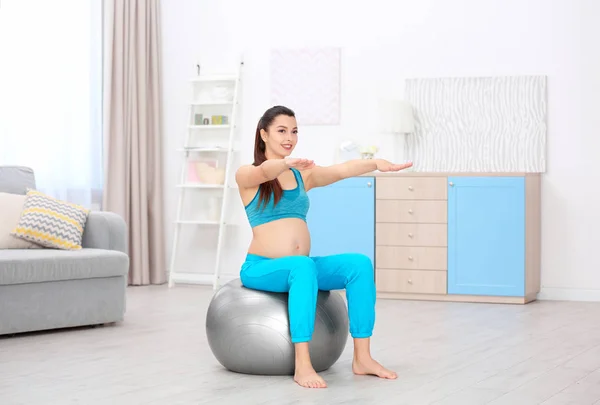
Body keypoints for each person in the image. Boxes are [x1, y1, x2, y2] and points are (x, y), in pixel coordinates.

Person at [234, 105, 413, 389]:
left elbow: (340, 170)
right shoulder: (247, 174)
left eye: (294, 131)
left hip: (299, 267)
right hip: (261, 267)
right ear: (263, 134)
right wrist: (284, 164)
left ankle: (363, 358)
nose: (289, 137)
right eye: (281, 131)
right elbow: (265, 171)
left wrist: (376, 163)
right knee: (303, 266)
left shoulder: (302, 176)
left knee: (358, 264)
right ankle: (303, 364)